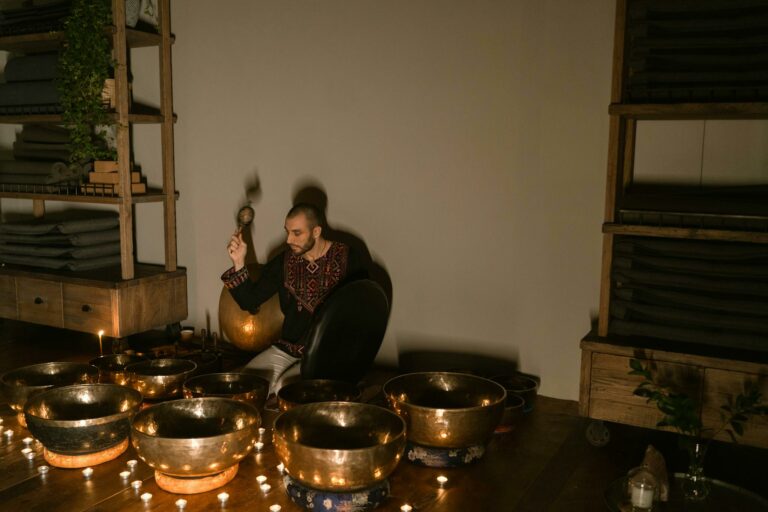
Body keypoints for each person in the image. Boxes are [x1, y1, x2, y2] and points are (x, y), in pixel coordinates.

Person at [221, 203, 367, 395]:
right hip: (289, 349)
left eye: (297, 233)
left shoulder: (348, 259)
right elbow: (249, 301)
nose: (289, 239)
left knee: (287, 387)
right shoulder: (284, 262)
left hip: (330, 355)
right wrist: (239, 262)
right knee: (247, 383)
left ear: (316, 231)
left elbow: (366, 310)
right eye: (287, 232)